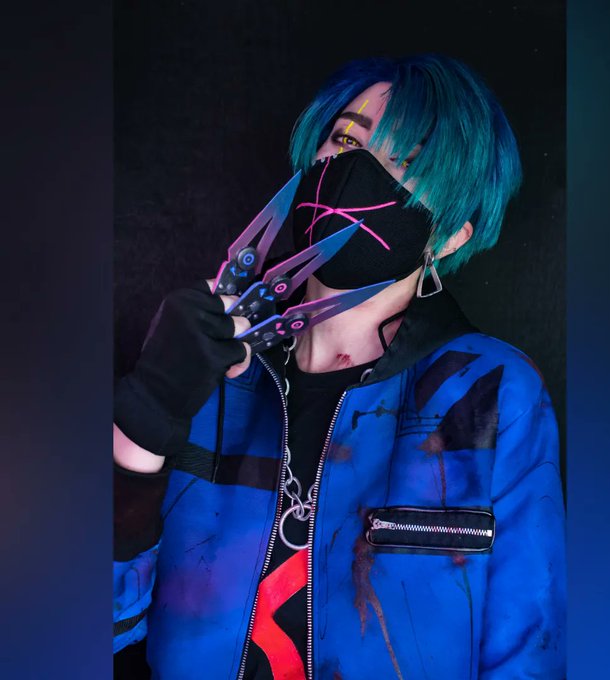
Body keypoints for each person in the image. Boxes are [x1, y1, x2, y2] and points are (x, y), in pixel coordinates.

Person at [113, 53, 566, 679]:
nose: (357, 170)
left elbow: (530, 649)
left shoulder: (490, 395)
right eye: (346, 140)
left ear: (451, 235)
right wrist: (144, 418)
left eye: (407, 163)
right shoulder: (205, 369)